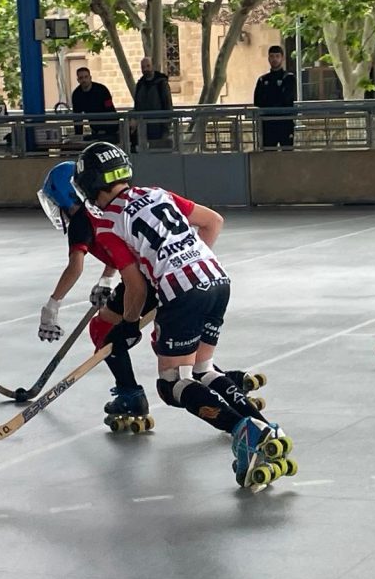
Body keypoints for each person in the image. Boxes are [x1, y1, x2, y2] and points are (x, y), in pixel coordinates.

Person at [73, 141, 296, 489]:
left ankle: (242, 431)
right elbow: (213, 222)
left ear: (90, 186)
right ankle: (265, 428)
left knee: (172, 383)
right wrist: (188, 264)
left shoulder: (108, 222)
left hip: (183, 291)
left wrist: (128, 325)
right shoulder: (157, 194)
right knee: (203, 369)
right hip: (217, 279)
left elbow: (135, 285)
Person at [36, 160, 266, 432]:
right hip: (200, 277)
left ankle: (130, 394)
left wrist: (52, 306)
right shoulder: (149, 195)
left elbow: (79, 265)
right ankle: (220, 384)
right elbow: (124, 249)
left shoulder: (86, 220)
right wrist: (107, 279)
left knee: (106, 332)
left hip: (150, 280)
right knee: (173, 345)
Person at [253, 45, 296, 150]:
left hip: (285, 122)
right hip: (268, 123)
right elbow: (258, 101)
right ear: (268, 58)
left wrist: (270, 99)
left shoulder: (289, 78)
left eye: (277, 56)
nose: (274, 59)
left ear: (282, 58)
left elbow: (287, 98)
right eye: (272, 56)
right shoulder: (262, 80)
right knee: (268, 153)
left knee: (287, 153)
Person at [131, 56, 173, 149]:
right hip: (143, 129)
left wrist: (166, 129)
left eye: (148, 66)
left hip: (158, 127)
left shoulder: (161, 84)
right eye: (143, 67)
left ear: (152, 66)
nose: (145, 69)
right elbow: (137, 106)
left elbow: (168, 106)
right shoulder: (140, 85)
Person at [71, 67, 119, 143]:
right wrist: (78, 136)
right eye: (81, 78)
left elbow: (110, 109)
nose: (84, 80)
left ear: (90, 78)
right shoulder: (76, 94)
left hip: (110, 127)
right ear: (78, 80)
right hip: (95, 128)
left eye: (86, 77)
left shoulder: (102, 90)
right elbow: (77, 117)